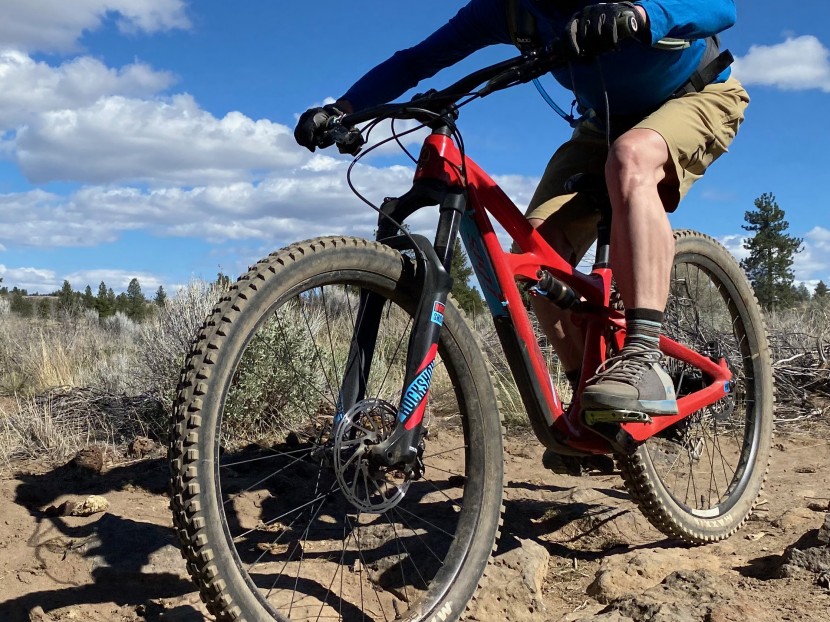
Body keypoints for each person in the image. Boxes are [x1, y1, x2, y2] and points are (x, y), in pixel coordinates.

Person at [294, 1, 748, 425]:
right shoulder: (508, 9)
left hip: (698, 94)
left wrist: (643, 14)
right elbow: (417, 60)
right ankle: (592, 409)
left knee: (631, 158)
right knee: (534, 259)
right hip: (602, 123)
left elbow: (721, 8)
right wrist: (345, 109)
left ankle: (643, 356)